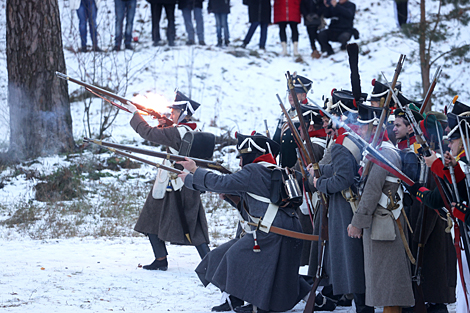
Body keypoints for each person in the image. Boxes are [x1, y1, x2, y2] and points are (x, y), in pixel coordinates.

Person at [177, 132, 311, 313]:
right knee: (221, 255)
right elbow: (254, 202)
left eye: (243, 157)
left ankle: (255, 305)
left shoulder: (254, 171)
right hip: (279, 229)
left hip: (271, 232)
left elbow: (220, 182)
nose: (240, 162)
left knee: (236, 257)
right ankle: (234, 299)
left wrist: (193, 173)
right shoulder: (273, 170)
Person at [124, 91, 210, 271]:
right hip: (174, 182)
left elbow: (148, 133)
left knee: (192, 226)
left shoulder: (178, 131)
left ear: (183, 113)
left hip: (178, 184)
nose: (172, 113)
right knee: (151, 218)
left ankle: (211, 263)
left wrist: (134, 114)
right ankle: (160, 259)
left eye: (175, 111)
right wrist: (165, 125)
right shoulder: (190, 129)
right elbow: (170, 136)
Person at [307, 96, 372, 313]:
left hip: (344, 207)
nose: (327, 125)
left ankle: (363, 306)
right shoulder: (349, 140)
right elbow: (340, 169)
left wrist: (319, 183)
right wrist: (320, 171)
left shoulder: (341, 145)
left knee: (350, 259)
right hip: (348, 203)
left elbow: (342, 178)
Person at [348, 102, 415, 312]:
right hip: (383, 223)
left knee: (388, 286)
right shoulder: (381, 152)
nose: (359, 130)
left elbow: (371, 193)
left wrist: (356, 223)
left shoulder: (384, 154)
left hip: (383, 226)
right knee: (387, 285)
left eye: (364, 127)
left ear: (376, 129)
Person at [393, 107, 456, 313]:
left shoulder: (421, 154)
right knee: (432, 272)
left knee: (429, 270)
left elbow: (420, 187)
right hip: (429, 214)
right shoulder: (427, 154)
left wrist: (411, 189)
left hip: (426, 215)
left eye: (398, 125)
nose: (394, 129)